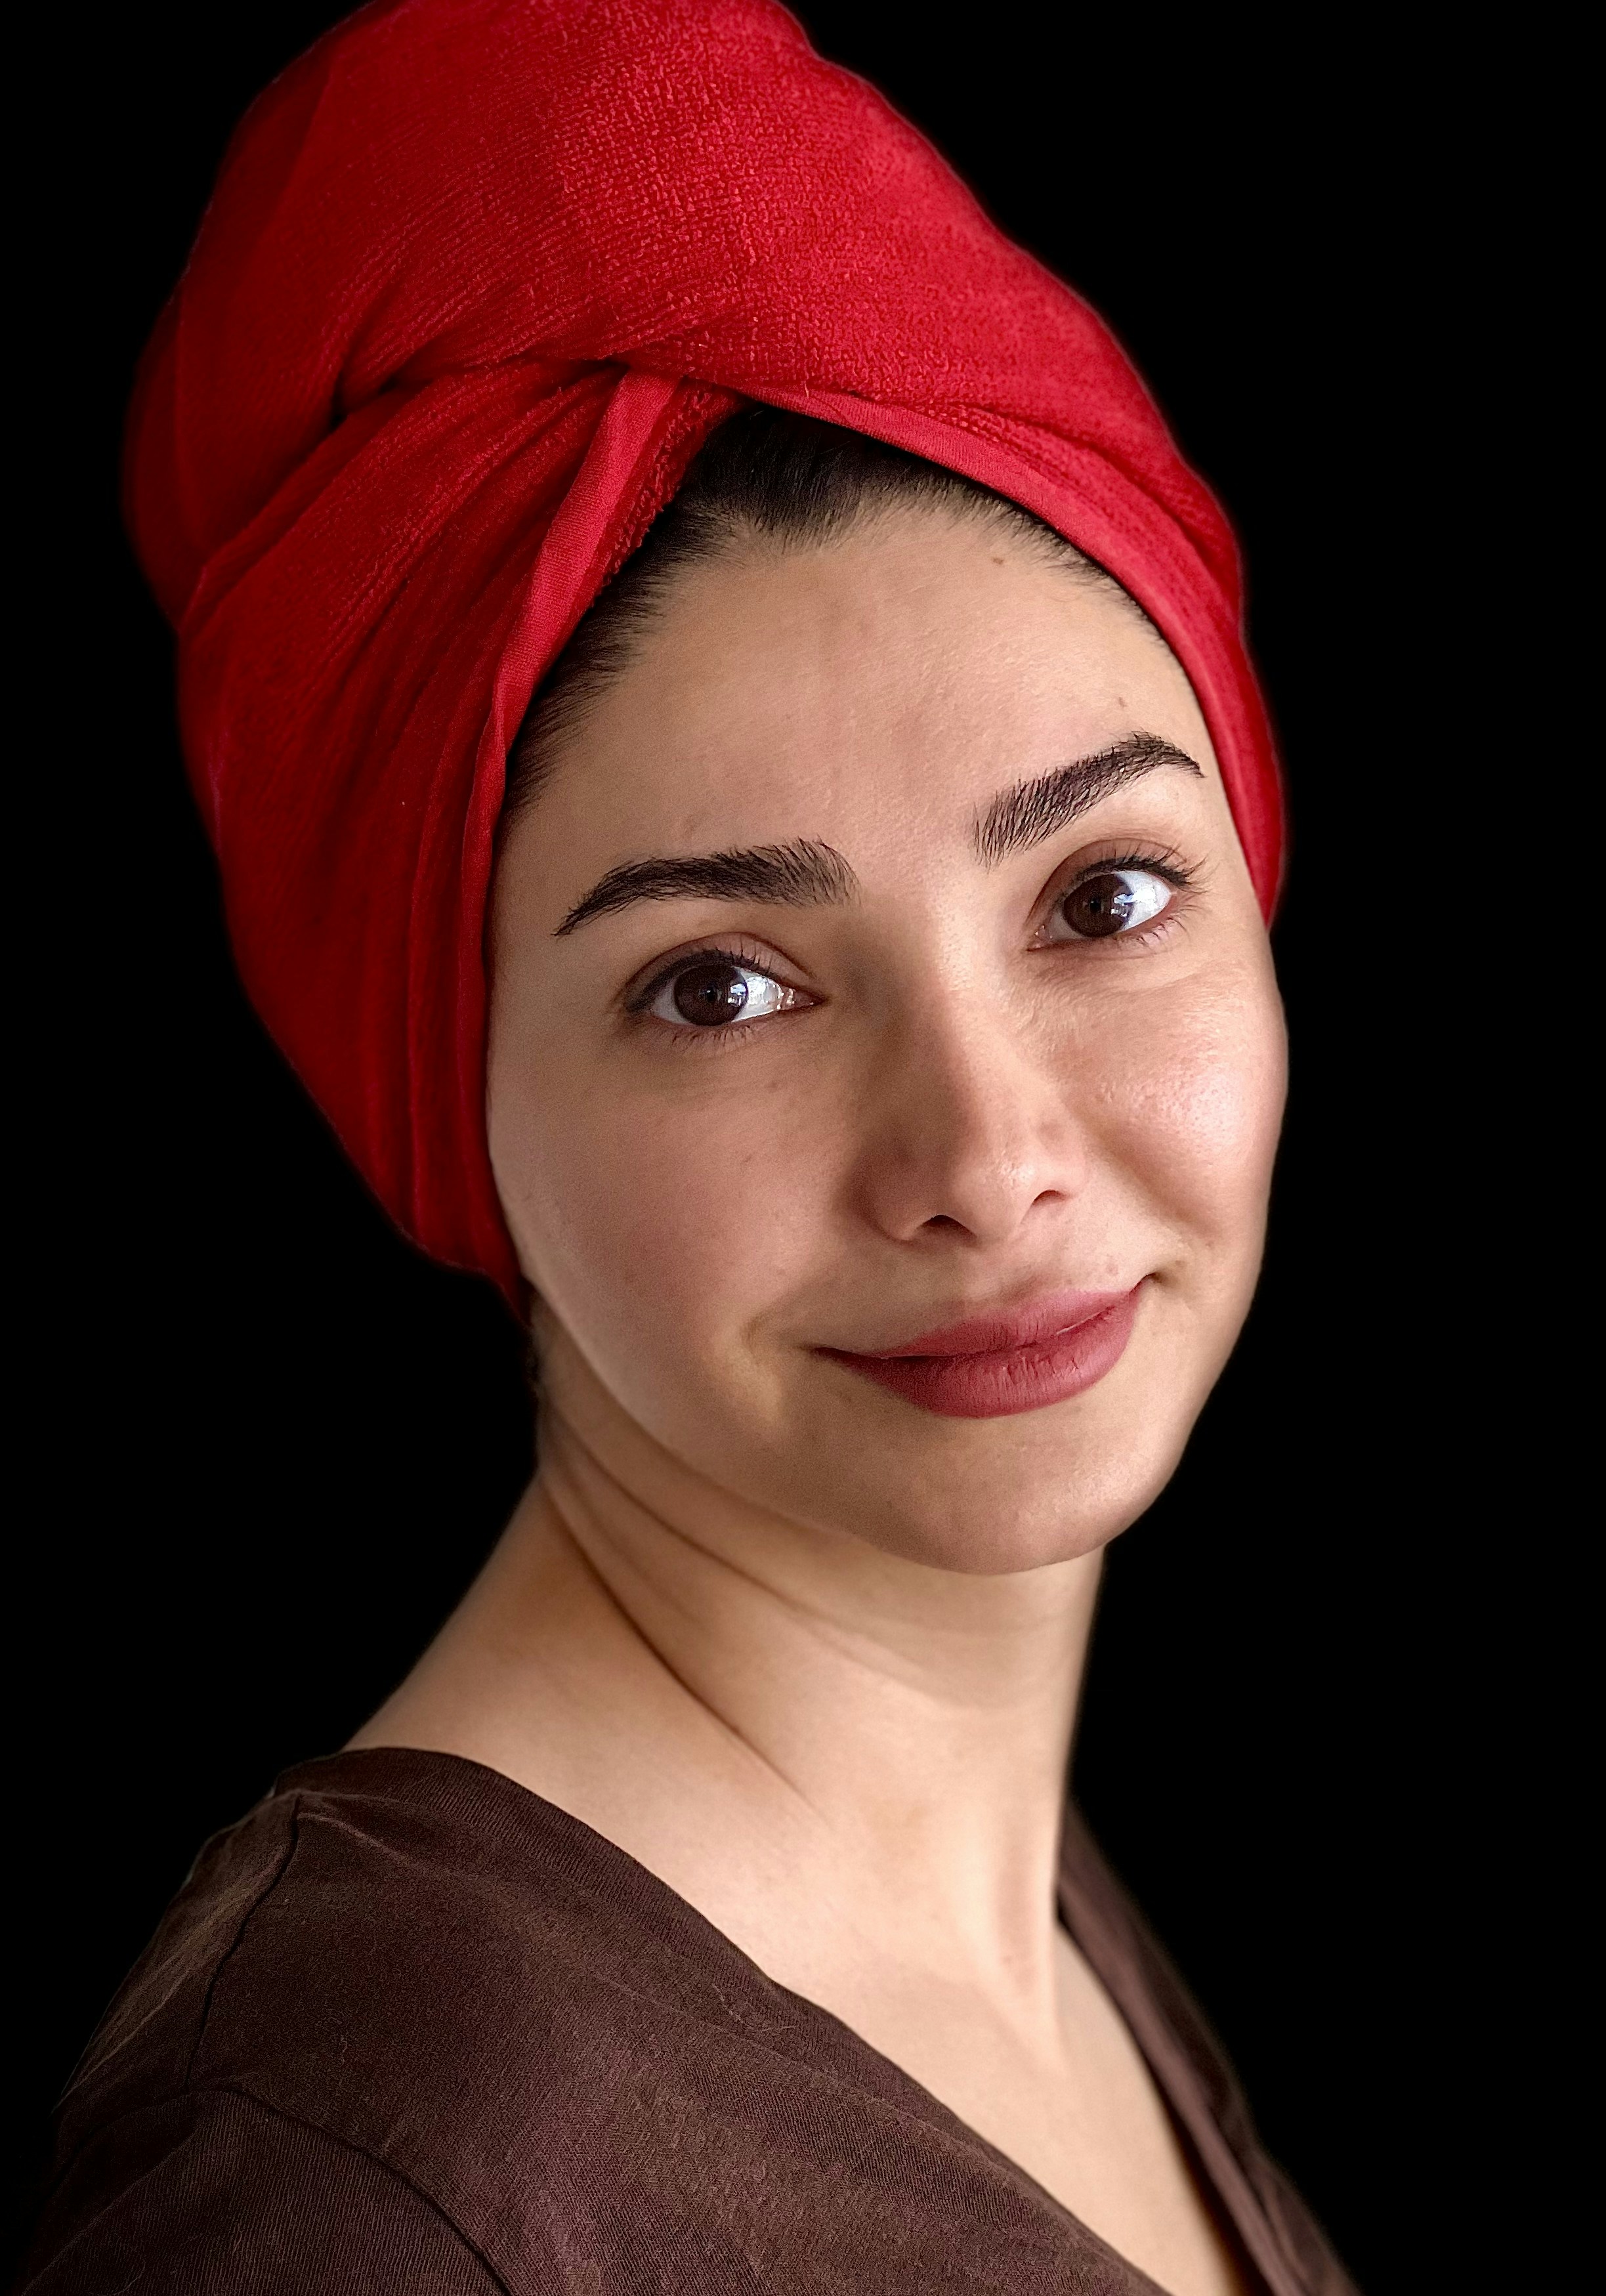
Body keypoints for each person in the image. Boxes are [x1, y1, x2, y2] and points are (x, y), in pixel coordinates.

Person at [24, 3, 1353, 2289]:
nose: (987, 1151)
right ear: (448, 1085)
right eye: (720, 982)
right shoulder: (382, 2179)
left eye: (1103, 896)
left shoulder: (978, 1900)